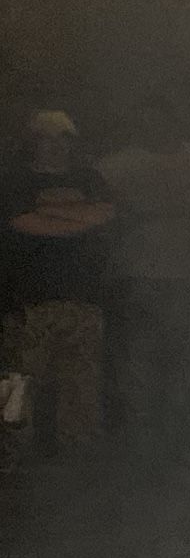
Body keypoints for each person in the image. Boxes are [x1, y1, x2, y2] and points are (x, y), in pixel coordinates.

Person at [95, 103, 190, 456]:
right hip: (138, 277)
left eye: (169, 118)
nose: (162, 127)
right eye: (154, 119)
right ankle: (138, 434)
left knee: (183, 357)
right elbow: (103, 207)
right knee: (137, 357)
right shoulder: (121, 164)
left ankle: (176, 434)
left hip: (188, 276)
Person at [4, 109, 117, 462]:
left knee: (81, 385)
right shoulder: (14, 182)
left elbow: (105, 215)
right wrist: (78, 217)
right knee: (20, 383)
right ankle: (13, 455)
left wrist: (54, 213)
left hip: (83, 299)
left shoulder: (91, 177)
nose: (54, 146)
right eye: (46, 137)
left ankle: (77, 458)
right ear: (33, 141)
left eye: (62, 138)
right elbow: (26, 223)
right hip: (27, 301)